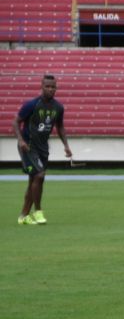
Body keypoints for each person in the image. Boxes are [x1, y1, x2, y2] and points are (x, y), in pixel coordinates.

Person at [13, 74, 72, 225]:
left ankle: (23, 216)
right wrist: (20, 140)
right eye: (47, 86)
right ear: (42, 86)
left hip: (42, 148)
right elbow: (16, 122)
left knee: (34, 180)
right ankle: (38, 211)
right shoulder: (31, 105)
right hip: (28, 146)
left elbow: (60, 127)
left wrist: (66, 146)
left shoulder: (58, 107)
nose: (50, 89)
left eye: (53, 87)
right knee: (39, 175)